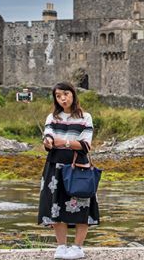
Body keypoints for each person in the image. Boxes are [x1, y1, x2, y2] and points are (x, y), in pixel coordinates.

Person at [38, 81, 99, 260]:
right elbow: (48, 137)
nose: (62, 98)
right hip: (54, 166)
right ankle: (61, 246)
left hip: (78, 167)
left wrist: (63, 142)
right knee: (55, 207)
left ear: (73, 94)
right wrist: (48, 142)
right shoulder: (52, 117)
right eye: (58, 96)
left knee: (82, 206)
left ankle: (78, 247)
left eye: (65, 94)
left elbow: (86, 145)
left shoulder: (85, 117)